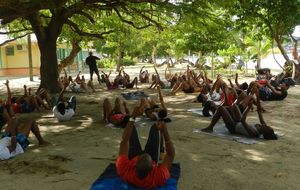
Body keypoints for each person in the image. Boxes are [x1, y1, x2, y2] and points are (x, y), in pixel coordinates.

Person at [116, 105, 175, 189]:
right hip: (151, 157)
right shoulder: (158, 177)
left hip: (134, 155)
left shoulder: (124, 170)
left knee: (131, 128)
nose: (143, 153)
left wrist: (133, 117)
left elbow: (124, 142)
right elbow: (170, 155)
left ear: (135, 164)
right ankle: (160, 150)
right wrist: (165, 132)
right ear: (153, 167)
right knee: (155, 128)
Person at [201, 85, 277, 140]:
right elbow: (259, 112)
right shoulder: (262, 126)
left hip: (233, 127)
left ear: (264, 132)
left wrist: (248, 108)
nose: (266, 125)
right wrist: (257, 96)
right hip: (238, 121)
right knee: (234, 106)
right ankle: (228, 112)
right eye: (268, 126)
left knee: (221, 108)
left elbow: (243, 120)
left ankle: (210, 127)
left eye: (267, 127)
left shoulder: (254, 133)